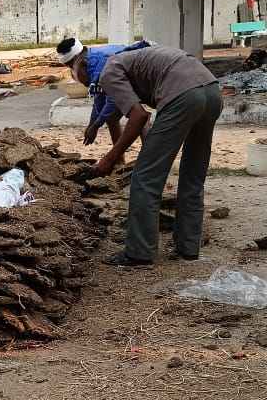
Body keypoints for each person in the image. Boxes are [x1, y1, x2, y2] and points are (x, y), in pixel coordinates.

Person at [90, 45, 222, 267]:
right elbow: (126, 110)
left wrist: (110, 159)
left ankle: (139, 253)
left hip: (183, 95)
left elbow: (139, 116)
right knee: (193, 175)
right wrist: (97, 124)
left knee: (145, 178)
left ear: (84, 65)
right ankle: (188, 248)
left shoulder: (109, 70)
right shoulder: (131, 60)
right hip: (211, 91)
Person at [56, 37, 151, 147]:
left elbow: (112, 100)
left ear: (77, 59)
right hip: (132, 77)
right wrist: (92, 124)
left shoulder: (98, 63)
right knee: (112, 118)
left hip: (143, 75)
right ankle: (120, 160)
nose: (72, 70)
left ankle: (149, 159)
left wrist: (95, 126)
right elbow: (99, 97)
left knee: (138, 117)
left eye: (70, 65)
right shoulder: (90, 59)